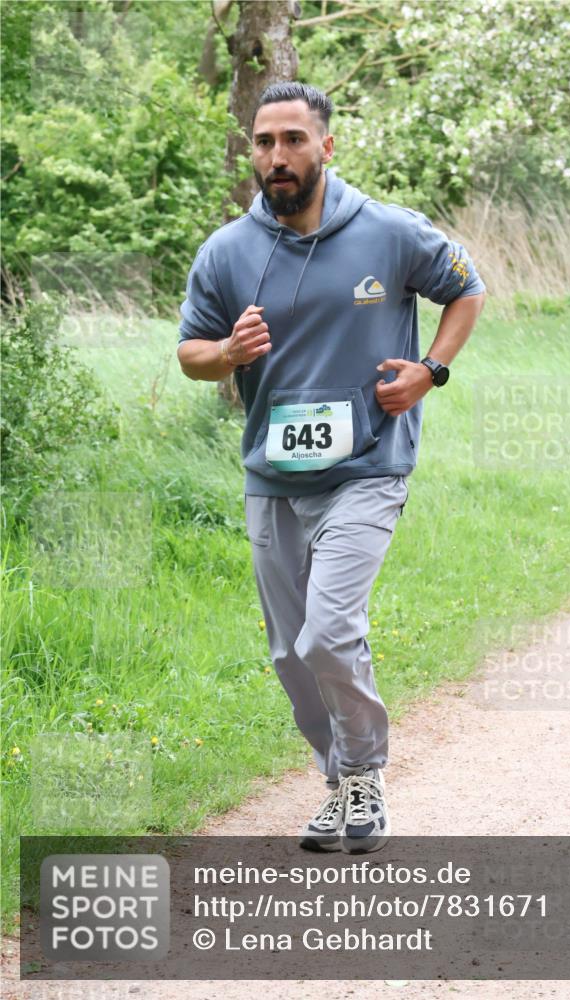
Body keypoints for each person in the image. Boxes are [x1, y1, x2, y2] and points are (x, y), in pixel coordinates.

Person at [177, 81, 486, 854]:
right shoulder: (226, 251)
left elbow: (466, 288)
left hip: (368, 467)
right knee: (289, 652)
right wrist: (225, 354)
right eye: (262, 142)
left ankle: (364, 775)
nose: (275, 157)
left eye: (291, 140)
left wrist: (429, 371)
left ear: (325, 145)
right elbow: (190, 354)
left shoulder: (386, 232)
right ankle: (337, 782)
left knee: (327, 634)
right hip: (271, 479)